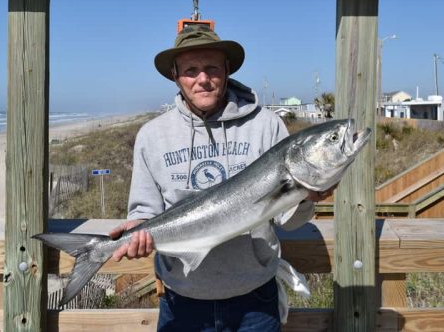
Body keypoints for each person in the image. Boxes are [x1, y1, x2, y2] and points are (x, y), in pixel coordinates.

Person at [110, 25, 330, 331]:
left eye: (212, 67)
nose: (203, 78)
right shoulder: (152, 135)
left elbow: (288, 221)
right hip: (181, 299)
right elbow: (145, 212)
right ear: (175, 75)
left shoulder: (266, 125)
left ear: (226, 69)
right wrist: (138, 230)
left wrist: (306, 198)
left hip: (255, 299)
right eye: (191, 70)